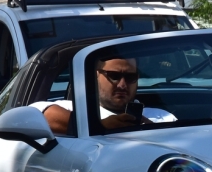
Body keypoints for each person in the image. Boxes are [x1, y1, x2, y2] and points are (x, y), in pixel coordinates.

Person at [35, 56, 175, 134]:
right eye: (114, 76)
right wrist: (101, 126)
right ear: (95, 75)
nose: (122, 85)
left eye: (130, 77)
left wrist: (151, 130)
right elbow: (38, 115)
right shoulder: (70, 108)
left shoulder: (162, 117)